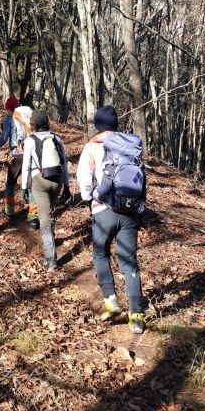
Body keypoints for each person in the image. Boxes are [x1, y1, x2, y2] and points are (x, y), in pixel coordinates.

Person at [76, 105, 145, 334]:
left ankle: (111, 301)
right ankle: (136, 316)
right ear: (115, 125)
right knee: (129, 262)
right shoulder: (130, 145)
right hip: (130, 211)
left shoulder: (93, 146)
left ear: (97, 125)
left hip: (103, 210)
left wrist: (88, 198)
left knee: (100, 254)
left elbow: (84, 178)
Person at [20, 110, 71, 270]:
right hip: (57, 181)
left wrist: (23, 187)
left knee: (44, 219)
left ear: (33, 125)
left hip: (39, 182)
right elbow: (64, 164)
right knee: (49, 214)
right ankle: (51, 243)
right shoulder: (57, 139)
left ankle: (50, 259)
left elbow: (26, 166)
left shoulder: (30, 140)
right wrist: (67, 186)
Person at [0, 96, 39, 228]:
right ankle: (33, 216)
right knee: (31, 185)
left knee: (10, 183)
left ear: (9, 109)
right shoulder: (29, 117)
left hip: (17, 156)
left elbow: (4, 138)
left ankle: (9, 211)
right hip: (31, 154)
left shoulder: (10, 119)